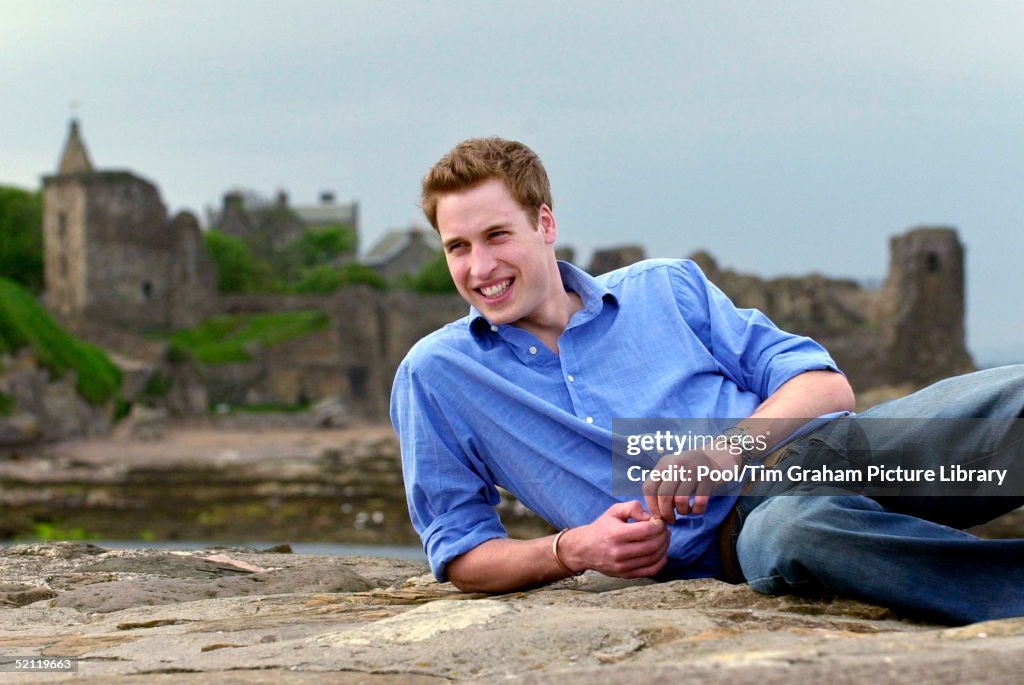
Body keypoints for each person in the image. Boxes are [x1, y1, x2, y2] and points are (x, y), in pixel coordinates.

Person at [390, 137, 1024, 625]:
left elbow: (825, 386)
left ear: (545, 224)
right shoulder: (437, 375)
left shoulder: (665, 286)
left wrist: (726, 450)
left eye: (497, 235)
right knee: (798, 532)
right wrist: (572, 550)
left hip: (830, 454)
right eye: (457, 247)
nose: (480, 267)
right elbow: (459, 552)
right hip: (741, 539)